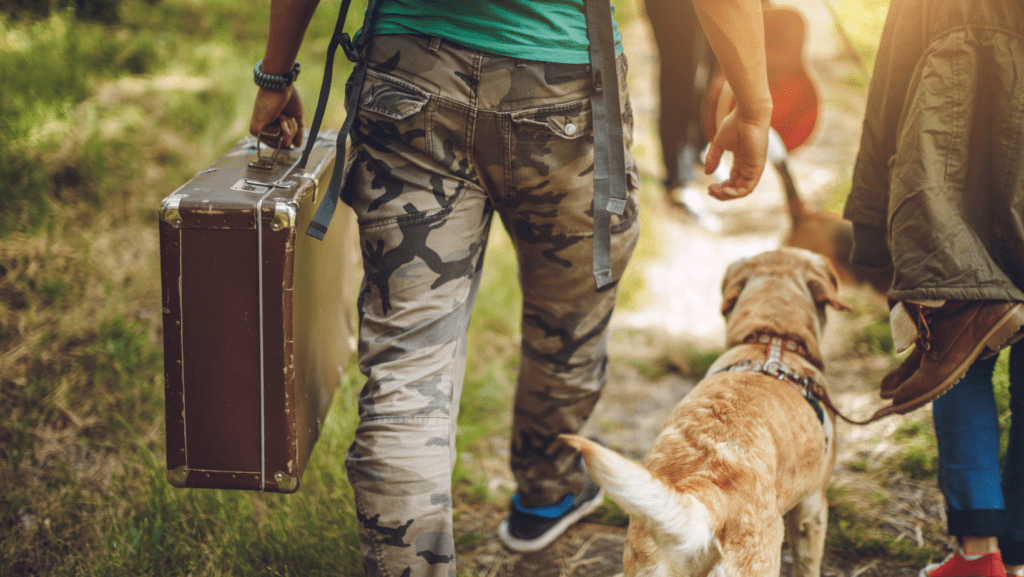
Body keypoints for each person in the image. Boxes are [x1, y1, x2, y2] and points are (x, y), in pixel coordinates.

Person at [249, 0, 772, 575]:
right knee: (568, 317)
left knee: (408, 363)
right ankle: (547, 493)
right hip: (563, 81)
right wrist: (753, 106)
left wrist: (276, 73)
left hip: (408, 76)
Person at [844, 0, 1024, 574]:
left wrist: (872, 222)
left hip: (944, 188)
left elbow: (891, 89)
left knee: (954, 338)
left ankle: (978, 555)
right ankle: (1019, 549)